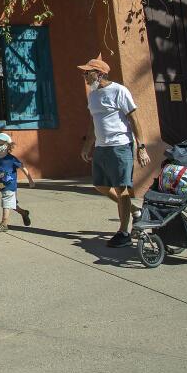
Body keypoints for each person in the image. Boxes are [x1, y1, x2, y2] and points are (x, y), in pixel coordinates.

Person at [78, 55, 149, 247]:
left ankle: (124, 232)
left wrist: (141, 147)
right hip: (102, 147)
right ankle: (135, 210)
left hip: (120, 145)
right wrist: (87, 145)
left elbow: (134, 119)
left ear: (99, 74)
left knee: (121, 188)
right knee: (100, 185)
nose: (84, 76)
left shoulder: (119, 91)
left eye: (87, 73)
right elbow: (94, 122)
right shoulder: (92, 95)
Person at [0, 132, 33, 232]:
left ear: (8, 145)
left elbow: (23, 168)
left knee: (6, 202)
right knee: (12, 205)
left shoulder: (12, 159)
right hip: (1, 186)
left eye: (0, 144)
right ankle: (23, 213)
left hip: (10, 186)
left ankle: (4, 224)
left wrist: (30, 180)